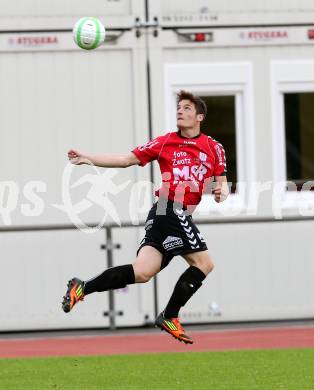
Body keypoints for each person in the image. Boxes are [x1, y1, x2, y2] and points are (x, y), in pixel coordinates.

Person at [62, 90, 229, 344]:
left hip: (169, 215)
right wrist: (88, 159)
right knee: (204, 264)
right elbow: (125, 159)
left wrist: (220, 193)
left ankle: (82, 286)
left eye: (186, 108)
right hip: (169, 208)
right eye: (178, 108)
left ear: (200, 116)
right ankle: (170, 315)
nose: (180, 111)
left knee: (142, 272)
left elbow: (223, 185)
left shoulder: (214, 147)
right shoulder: (164, 142)